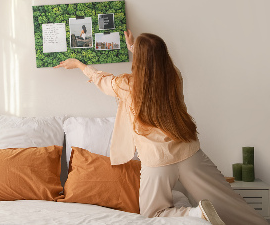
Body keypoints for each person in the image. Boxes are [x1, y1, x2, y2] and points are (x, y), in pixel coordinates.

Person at [54, 30, 268, 225]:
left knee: (152, 216)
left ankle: (195, 215)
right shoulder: (174, 76)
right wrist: (134, 48)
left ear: (138, 59)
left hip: (157, 163)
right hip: (188, 152)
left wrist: (80, 65)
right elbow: (153, 64)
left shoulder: (127, 86)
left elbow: (103, 80)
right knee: (226, 202)